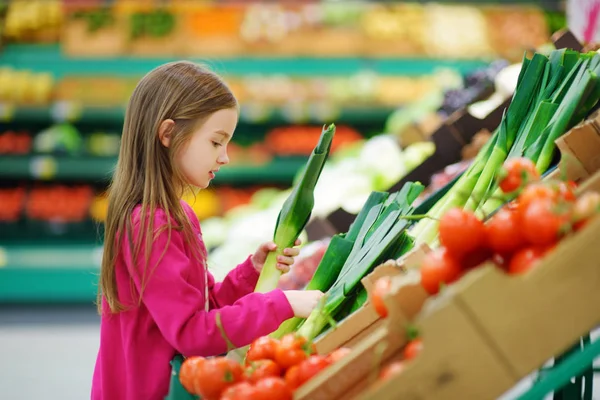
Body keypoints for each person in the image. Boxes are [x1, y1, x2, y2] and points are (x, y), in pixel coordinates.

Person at [91, 61, 324, 400]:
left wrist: (251, 273)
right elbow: (190, 332)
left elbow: (200, 307)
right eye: (216, 142)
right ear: (168, 134)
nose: (225, 157)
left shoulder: (177, 214)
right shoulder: (151, 226)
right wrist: (282, 304)